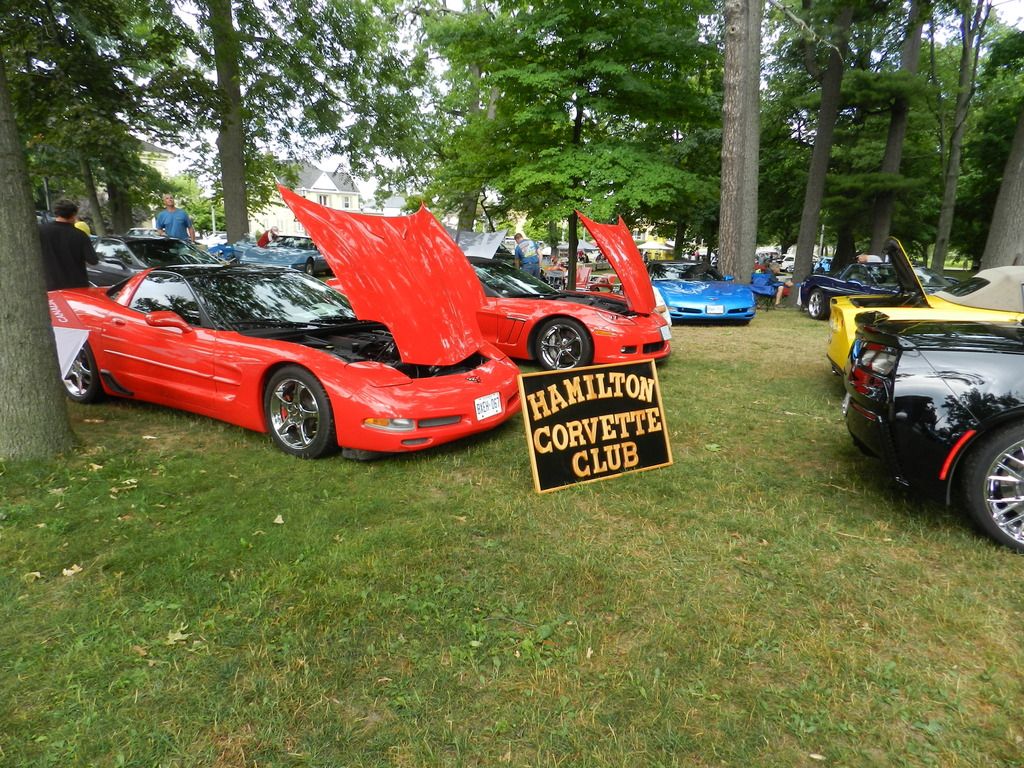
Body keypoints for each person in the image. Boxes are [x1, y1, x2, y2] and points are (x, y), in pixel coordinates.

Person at [39, 198, 98, 290]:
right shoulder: (80, 235)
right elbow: (93, 260)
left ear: (56, 213)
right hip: (77, 287)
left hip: (50, 286)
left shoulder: (41, 231)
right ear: (73, 214)